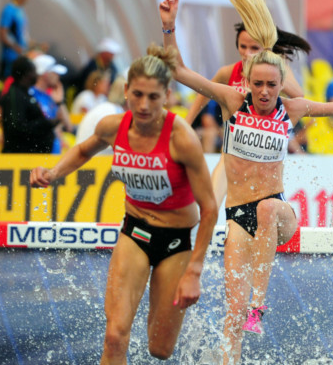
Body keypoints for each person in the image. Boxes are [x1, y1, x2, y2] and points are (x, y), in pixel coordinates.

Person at [159, 0, 333, 364]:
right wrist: (168, 27)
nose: (264, 92)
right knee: (231, 318)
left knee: (265, 211)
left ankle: (258, 308)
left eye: (272, 86)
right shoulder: (232, 99)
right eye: (258, 84)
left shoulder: (291, 109)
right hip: (238, 219)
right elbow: (178, 70)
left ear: (283, 86)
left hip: (280, 214)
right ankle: (231, 349)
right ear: (248, 81)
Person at [30, 44, 217, 363]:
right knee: (115, 334)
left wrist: (195, 272)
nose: (144, 105)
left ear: (167, 95)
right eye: (138, 95)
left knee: (160, 349)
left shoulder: (181, 138)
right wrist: (53, 173)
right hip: (134, 234)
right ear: (126, 90)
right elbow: (83, 150)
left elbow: (210, 208)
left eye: (153, 97)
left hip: (175, 243)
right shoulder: (113, 126)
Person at [184, 16, 311, 207]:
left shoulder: (277, 69)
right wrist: (186, 123)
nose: (247, 53)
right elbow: (202, 95)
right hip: (231, 157)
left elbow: (299, 95)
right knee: (209, 207)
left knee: (262, 217)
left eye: (254, 48)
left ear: (265, 48)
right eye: (243, 47)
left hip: (265, 162)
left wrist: (274, 71)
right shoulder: (228, 72)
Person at [1, 56, 58, 153]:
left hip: (33, 156)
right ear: (27, 74)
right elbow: (16, 127)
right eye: (34, 72)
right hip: (20, 158)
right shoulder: (15, 96)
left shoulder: (26, 94)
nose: (36, 75)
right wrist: (45, 124)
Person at [0, 0, 46, 78]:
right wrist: (16, 48)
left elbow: (23, 36)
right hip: (11, 58)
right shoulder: (9, 10)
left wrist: (37, 46)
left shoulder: (20, 10)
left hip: (21, 56)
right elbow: (3, 34)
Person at [74, 75, 127, 155]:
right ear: (127, 95)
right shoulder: (113, 113)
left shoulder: (106, 107)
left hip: (85, 157)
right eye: (138, 94)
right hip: (93, 161)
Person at [31, 54, 73, 153]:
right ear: (45, 74)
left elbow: (69, 127)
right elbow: (43, 126)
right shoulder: (31, 95)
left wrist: (60, 102)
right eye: (55, 73)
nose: (58, 76)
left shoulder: (51, 97)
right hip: (39, 154)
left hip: (53, 154)